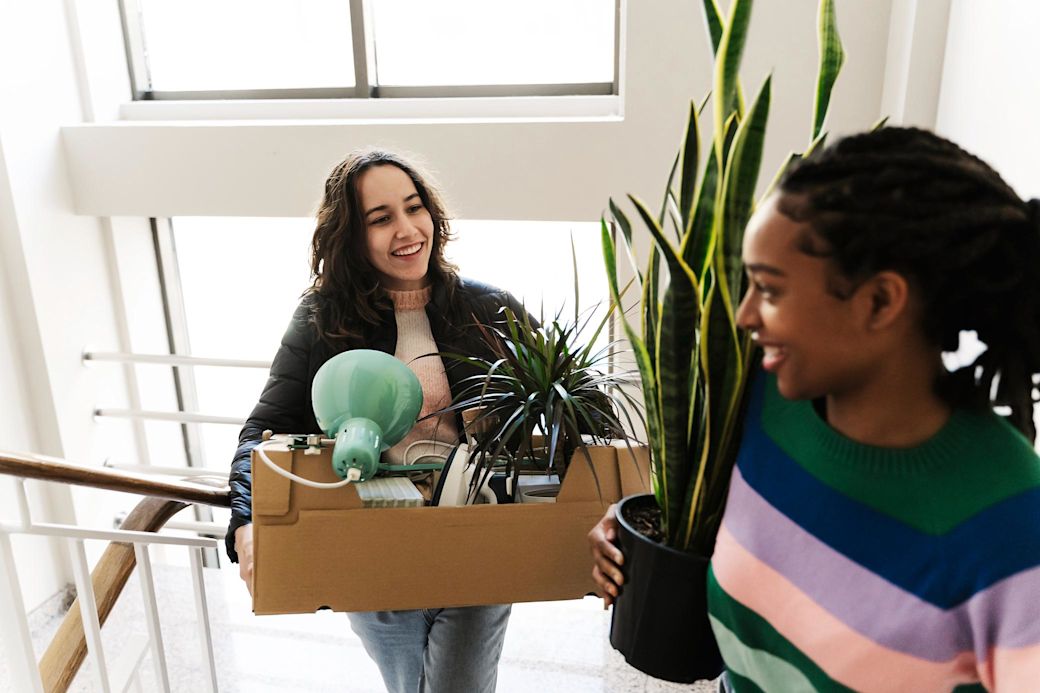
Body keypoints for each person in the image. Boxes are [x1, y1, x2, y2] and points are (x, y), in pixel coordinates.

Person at [589, 127, 1040, 691]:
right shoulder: (761, 397)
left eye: (769, 290)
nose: (745, 316)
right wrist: (627, 533)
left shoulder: (1015, 530)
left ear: (879, 301)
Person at [227, 148, 525, 693]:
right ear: (352, 237)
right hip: (369, 546)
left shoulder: (490, 309)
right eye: (381, 218)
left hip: (477, 537)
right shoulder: (321, 319)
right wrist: (247, 524)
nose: (408, 230)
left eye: (414, 208)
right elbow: (262, 434)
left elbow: (571, 411)